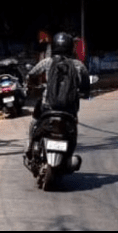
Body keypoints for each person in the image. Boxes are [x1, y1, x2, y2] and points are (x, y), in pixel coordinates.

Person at [24, 31, 91, 162]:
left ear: (54, 46)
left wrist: (30, 87)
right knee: (73, 130)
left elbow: (31, 74)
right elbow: (86, 86)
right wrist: (85, 93)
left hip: (47, 106)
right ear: (71, 47)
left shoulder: (47, 62)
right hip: (70, 109)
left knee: (35, 121)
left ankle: (30, 145)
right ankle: (68, 155)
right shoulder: (78, 66)